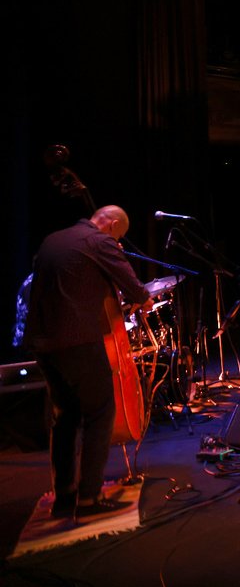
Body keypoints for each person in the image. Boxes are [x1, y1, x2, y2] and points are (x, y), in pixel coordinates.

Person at [25, 205, 153, 521]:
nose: (117, 241)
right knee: (101, 412)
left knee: (65, 416)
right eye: (118, 236)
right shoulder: (100, 241)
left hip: (43, 343)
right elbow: (131, 285)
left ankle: (64, 496)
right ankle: (89, 498)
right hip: (79, 341)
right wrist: (145, 299)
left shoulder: (52, 239)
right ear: (111, 224)